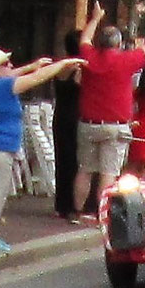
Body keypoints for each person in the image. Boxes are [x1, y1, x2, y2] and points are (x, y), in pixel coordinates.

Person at [0, 48, 86, 253]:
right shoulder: (4, 86)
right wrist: (61, 64)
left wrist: (33, 65)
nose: (11, 66)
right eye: (5, 64)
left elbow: (18, 75)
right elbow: (36, 79)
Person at [72, 2, 145, 222]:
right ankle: (101, 213)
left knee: (84, 169)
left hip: (88, 123)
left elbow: (84, 39)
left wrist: (95, 18)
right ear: (119, 43)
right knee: (109, 171)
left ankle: (77, 213)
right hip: (115, 126)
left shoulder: (89, 57)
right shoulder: (126, 61)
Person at [53, 30, 82, 222]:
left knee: (61, 160)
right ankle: (72, 203)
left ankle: (60, 203)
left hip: (60, 115)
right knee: (74, 161)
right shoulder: (79, 69)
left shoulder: (61, 67)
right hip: (75, 116)